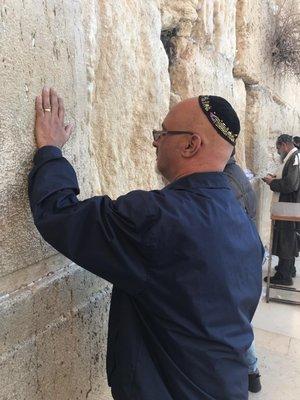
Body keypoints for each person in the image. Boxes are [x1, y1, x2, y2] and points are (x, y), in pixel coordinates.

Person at [28, 88, 263, 400]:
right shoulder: (243, 223)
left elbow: (58, 214)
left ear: (191, 144)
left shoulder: (156, 218)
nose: (155, 141)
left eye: (163, 133)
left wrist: (50, 151)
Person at [224, 153, 262, 393]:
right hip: (245, 258)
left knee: (237, 324)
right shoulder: (235, 174)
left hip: (235, 263)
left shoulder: (225, 181)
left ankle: (252, 372)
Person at [263, 134, 300, 285]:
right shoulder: (293, 157)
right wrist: (276, 177)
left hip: (289, 206)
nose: (279, 152)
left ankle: (284, 276)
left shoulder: (295, 158)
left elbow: (291, 185)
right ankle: (288, 268)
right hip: (289, 205)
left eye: (278, 148)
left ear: (284, 145)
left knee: (286, 238)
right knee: (288, 237)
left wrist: (272, 182)